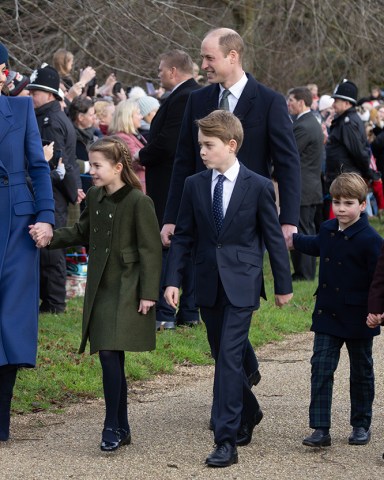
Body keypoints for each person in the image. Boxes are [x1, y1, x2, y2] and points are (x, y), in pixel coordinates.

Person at [161, 26, 300, 407]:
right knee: (217, 311)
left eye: (209, 58)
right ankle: (243, 373)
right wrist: (172, 216)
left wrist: (289, 218)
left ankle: (228, 405)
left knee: (237, 300)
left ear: (233, 56)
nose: (203, 65)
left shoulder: (268, 101)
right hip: (206, 217)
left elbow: (287, 163)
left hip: (250, 222)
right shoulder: (197, 100)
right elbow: (183, 163)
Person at [164, 110, 293, 467]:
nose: (202, 151)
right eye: (200, 144)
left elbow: (272, 237)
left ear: (231, 145)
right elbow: (184, 236)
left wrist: (283, 284)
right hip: (207, 283)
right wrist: (172, 280)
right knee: (222, 353)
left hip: (243, 283)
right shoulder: (194, 185)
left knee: (228, 359)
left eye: (209, 145)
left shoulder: (258, 185)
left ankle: (225, 439)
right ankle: (250, 410)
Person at [29, 136, 162, 451]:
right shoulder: (94, 196)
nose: (94, 171)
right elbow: (81, 232)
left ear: (117, 167)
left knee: (110, 354)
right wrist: (50, 236)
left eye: (98, 166)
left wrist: (148, 293)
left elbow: (151, 250)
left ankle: (112, 426)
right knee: (109, 355)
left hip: (128, 288)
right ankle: (121, 426)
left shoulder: (139, 202)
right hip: (101, 289)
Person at [292, 173, 383, 448]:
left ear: (362, 205)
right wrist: (292, 238)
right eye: (336, 202)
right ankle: (321, 427)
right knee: (320, 367)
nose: (341, 208)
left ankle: (361, 424)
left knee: (361, 371)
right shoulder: (328, 229)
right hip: (328, 313)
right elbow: (315, 245)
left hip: (359, 316)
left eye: (348, 203)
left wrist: (376, 310)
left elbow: (379, 279)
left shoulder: (371, 239)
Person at [0, 43, 54, 442]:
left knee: (12, 318)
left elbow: (38, 165)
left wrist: (46, 217)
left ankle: (1, 418)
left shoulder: (20, 110)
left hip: (18, 222)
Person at [137, 49, 200, 330]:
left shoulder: (185, 97)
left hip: (170, 184)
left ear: (174, 71)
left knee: (170, 244)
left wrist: (141, 155)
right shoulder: (183, 96)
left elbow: (168, 143)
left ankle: (168, 311)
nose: (158, 74)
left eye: (161, 69)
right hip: (172, 182)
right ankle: (187, 311)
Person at [27, 64, 82, 313]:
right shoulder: (51, 115)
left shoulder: (49, 121)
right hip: (57, 187)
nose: (30, 95)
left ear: (49, 94)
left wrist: (73, 190)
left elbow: (57, 159)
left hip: (54, 189)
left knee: (51, 251)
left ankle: (54, 303)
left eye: (35, 91)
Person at [287, 87, 324, 281]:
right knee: (306, 228)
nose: (289, 103)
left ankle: (304, 273)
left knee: (302, 230)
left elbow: (289, 155)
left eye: (291, 100)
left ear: (301, 102)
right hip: (310, 186)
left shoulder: (302, 125)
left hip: (303, 187)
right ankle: (306, 271)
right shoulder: (311, 122)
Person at [108, 99, 147, 193]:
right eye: (138, 114)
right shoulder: (123, 138)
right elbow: (138, 160)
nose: (141, 117)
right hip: (134, 187)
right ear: (128, 117)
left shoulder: (133, 135)